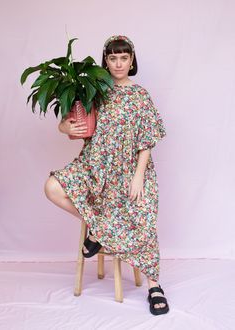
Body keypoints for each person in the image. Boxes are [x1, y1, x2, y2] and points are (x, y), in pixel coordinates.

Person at [44, 35, 169, 316]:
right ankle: (100, 228)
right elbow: (71, 122)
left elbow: (147, 139)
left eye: (124, 58)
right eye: (113, 58)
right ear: (106, 61)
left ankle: (154, 286)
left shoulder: (140, 95)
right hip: (95, 166)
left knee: (143, 214)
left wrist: (138, 177)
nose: (118, 63)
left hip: (130, 170)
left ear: (132, 60)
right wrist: (65, 129)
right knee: (52, 187)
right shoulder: (94, 90)